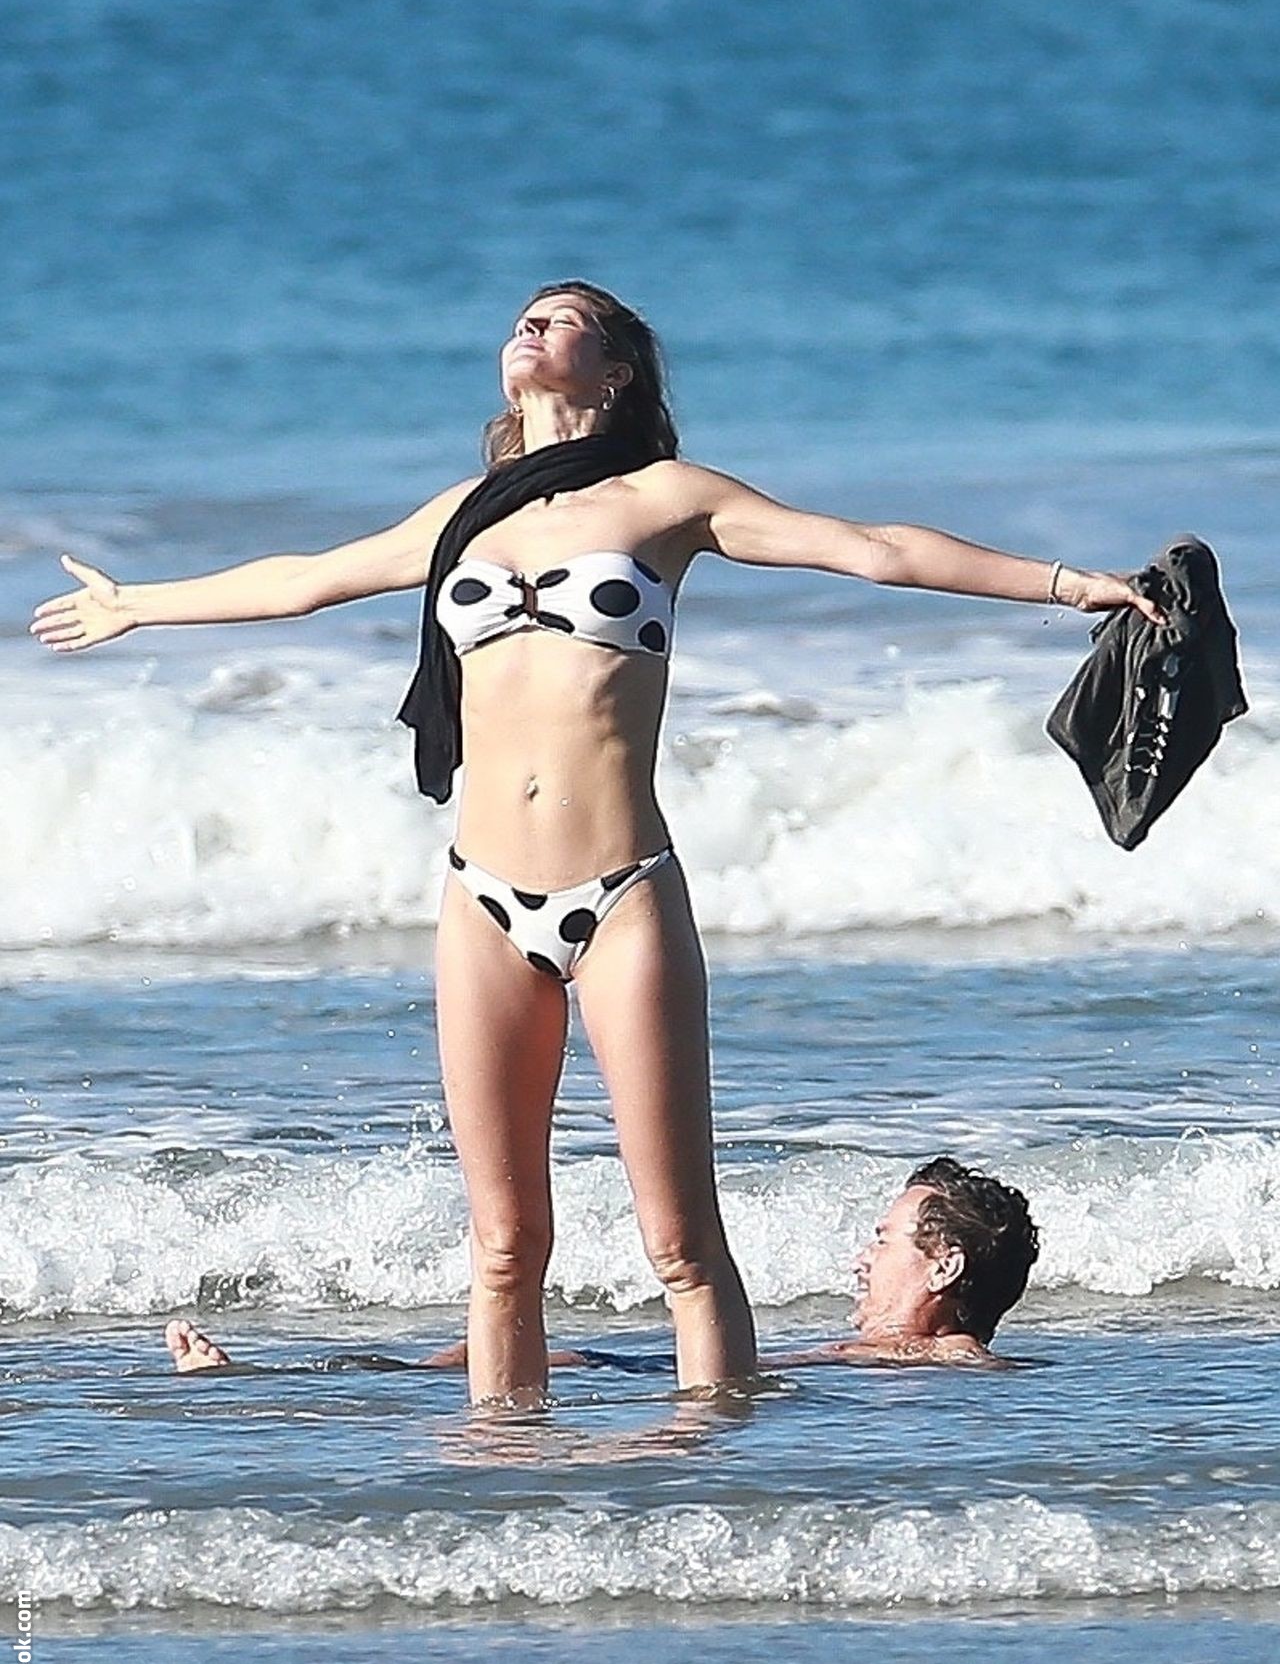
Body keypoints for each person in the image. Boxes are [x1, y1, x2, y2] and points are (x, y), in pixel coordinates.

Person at [33, 280, 1151, 1406]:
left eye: (558, 318)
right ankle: (501, 1465)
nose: (528, 328)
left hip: (620, 893)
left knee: (680, 1244)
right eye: (522, 317)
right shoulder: (465, 515)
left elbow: (871, 549)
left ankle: (708, 1469)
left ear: (616, 371)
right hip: (481, 896)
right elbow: (306, 580)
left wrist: (1073, 587)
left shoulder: (667, 499)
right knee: (503, 1247)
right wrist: (140, 603)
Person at [164, 1158, 1039, 1376]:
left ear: (943, 1267)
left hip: (696, 1377)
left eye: (884, 1239)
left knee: (505, 1360)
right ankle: (270, 1379)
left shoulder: (945, 1358)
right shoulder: (901, 1359)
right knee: (483, 1356)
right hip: (680, 1367)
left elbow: (984, 1365)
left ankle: (256, 1384)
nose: (862, 1256)